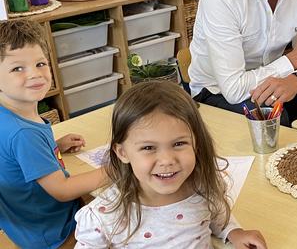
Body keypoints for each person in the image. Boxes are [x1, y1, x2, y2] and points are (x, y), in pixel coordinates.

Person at [74, 81, 267, 248]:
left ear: (196, 143)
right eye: (148, 147)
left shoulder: (202, 187)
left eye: (179, 144)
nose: (167, 160)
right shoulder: (104, 215)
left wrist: (234, 232)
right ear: (122, 153)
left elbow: (216, 215)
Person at [0, 19, 107, 248]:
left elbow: (16, 160)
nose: (35, 75)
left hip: (25, 226)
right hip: (55, 232)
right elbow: (62, 190)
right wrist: (113, 170)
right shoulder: (24, 134)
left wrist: (54, 145)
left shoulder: (10, 115)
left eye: (40, 63)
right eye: (18, 68)